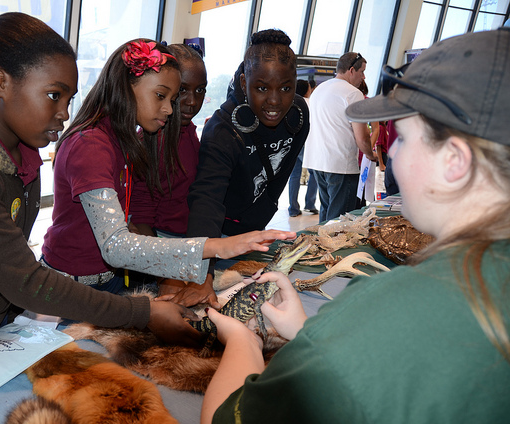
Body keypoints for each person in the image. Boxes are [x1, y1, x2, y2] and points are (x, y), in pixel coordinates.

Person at [201, 27, 510, 423]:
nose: (392, 154)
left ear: (454, 161)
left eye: (404, 138)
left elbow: (220, 418)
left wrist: (243, 341)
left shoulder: (394, 303)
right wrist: (310, 331)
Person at [0, 12, 248, 348]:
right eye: (53, 96)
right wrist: (212, 249)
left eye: (68, 99)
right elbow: (28, 280)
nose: (64, 113)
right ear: (1, 82)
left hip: (1, 322)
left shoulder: (23, 157)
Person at [40, 39, 295, 302]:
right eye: (161, 96)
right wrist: (217, 246)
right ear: (125, 87)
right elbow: (115, 246)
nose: (169, 108)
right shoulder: (91, 145)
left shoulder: (119, 140)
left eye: (172, 99)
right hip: (71, 289)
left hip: (109, 280)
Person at [170, 29, 309, 309]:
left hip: (253, 232)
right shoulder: (222, 130)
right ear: (244, 82)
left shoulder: (299, 116)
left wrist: (264, 209)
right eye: (261, 88)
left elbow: (280, 174)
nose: (274, 100)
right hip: (212, 235)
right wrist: (201, 277)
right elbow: (207, 201)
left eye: (285, 88)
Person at [127, 43, 208, 299]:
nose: (192, 101)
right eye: (182, 91)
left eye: (200, 90)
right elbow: (140, 220)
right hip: (161, 249)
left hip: (185, 244)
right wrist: (166, 274)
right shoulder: (152, 139)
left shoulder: (189, 132)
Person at [302, 52, 376, 223]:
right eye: (362, 71)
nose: (363, 77)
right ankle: (334, 250)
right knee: (340, 221)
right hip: (340, 164)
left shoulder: (319, 90)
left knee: (326, 214)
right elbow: (362, 137)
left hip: (318, 162)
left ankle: (322, 247)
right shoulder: (353, 93)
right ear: (351, 70)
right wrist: (370, 155)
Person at [288, 79, 318, 216]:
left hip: (294, 142)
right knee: (314, 173)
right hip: (309, 143)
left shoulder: (291, 103)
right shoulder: (311, 103)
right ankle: (310, 204)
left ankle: (293, 208)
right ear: (307, 90)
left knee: (294, 175)